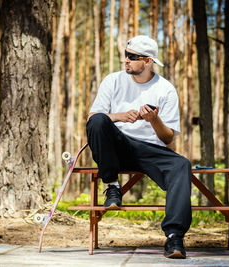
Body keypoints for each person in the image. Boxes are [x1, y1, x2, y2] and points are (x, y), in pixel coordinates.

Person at [86, 35, 192, 259]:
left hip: (150, 150)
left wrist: (154, 120)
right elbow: (93, 118)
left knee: (181, 164)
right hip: (117, 148)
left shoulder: (165, 89)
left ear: (148, 61)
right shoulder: (112, 80)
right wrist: (120, 116)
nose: (126, 60)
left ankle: (174, 237)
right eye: (125, 54)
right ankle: (112, 186)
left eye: (132, 57)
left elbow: (168, 139)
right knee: (98, 121)